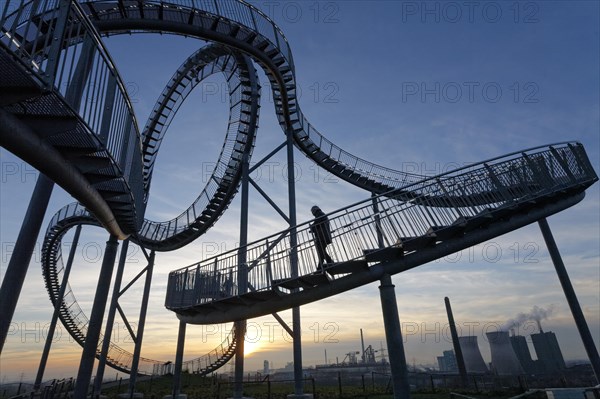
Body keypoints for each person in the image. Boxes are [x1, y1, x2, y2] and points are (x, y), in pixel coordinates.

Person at [309, 205, 333, 272]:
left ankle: (329, 261)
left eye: (312, 211)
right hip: (324, 236)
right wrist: (313, 228)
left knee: (320, 251)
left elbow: (316, 224)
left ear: (314, 211)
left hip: (322, 237)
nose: (312, 213)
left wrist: (312, 227)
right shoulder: (321, 215)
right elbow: (317, 225)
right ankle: (319, 268)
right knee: (321, 252)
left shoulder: (320, 215)